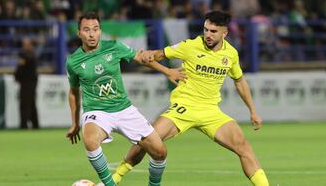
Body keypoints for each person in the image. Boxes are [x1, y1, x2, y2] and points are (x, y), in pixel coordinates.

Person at [113, 11, 270, 186]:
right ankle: (113, 179)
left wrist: (253, 111)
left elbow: (240, 82)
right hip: (183, 108)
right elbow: (158, 55)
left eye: (213, 31)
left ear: (224, 33)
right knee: (147, 139)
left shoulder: (231, 54)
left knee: (244, 147)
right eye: (206, 30)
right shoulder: (190, 45)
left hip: (211, 112)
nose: (208, 35)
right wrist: (151, 57)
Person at [65, 12, 185, 186]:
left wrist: (168, 72)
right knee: (90, 141)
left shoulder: (114, 46)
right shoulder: (74, 61)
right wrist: (75, 123)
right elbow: (73, 92)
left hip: (124, 109)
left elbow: (141, 58)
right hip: (96, 111)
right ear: (79, 33)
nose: (92, 34)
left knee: (160, 153)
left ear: (100, 31)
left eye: (96, 29)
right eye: (86, 30)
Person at [14, 38, 39, 129]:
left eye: (26, 44)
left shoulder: (29, 56)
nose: (24, 46)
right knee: (31, 104)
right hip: (28, 82)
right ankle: (35, 125)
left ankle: (24, 125)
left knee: (25, 104)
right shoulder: (28, 56)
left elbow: (22, 69)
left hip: (28, 83)